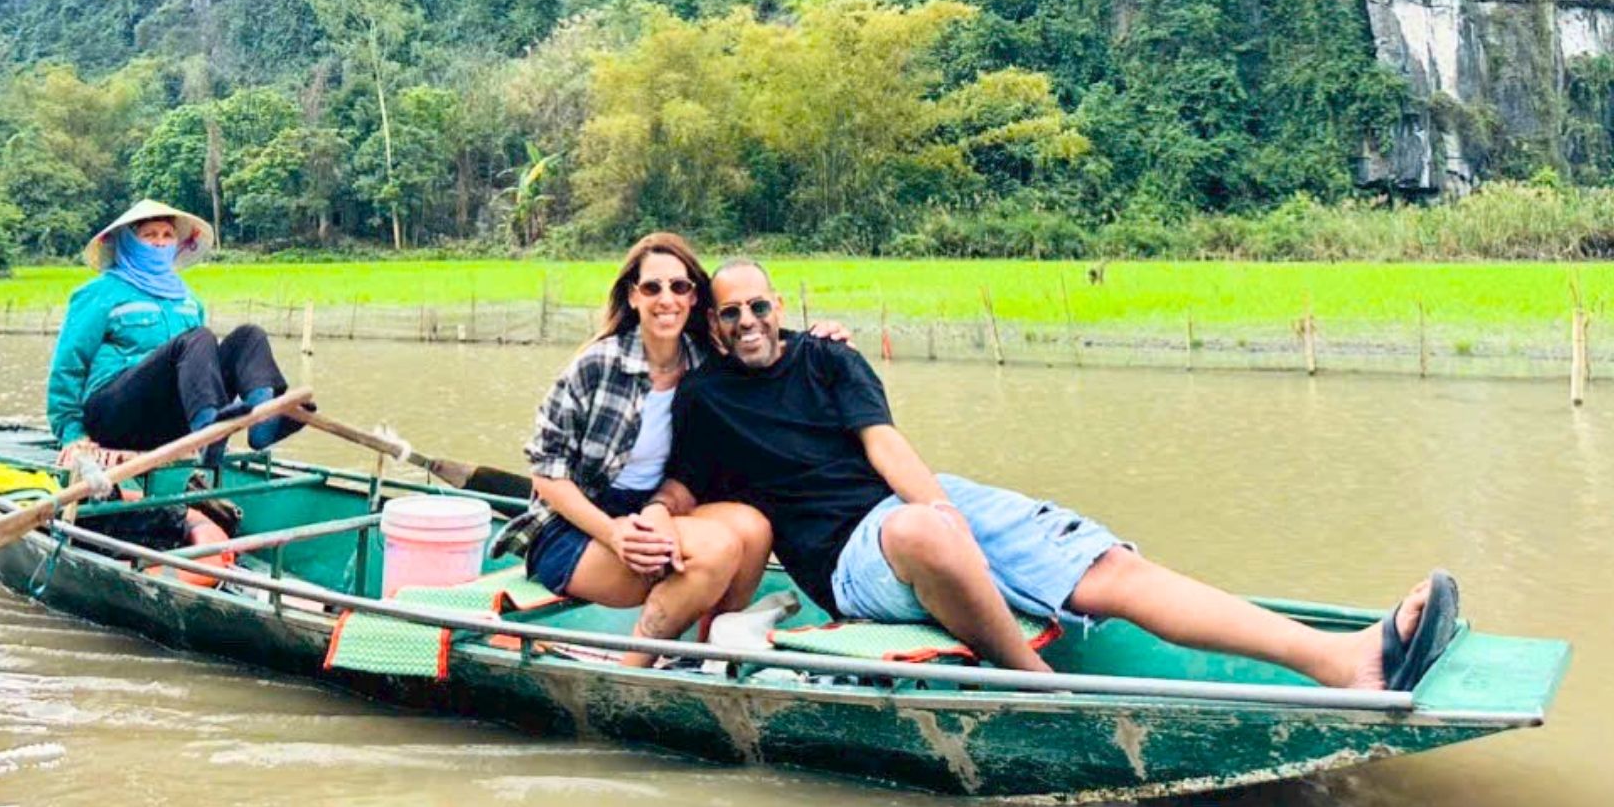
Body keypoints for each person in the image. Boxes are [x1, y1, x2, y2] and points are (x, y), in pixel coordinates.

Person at [643, 258, 1460, 692]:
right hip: (848, 562)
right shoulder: (709, 398)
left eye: (758, 307)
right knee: (926, 530)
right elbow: (686, 487)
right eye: (729, 312)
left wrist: (941, 510)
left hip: (916, 501)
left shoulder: (829, 358)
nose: (747, 321)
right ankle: (1034, 682)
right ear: (712, 325)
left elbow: (887, 446)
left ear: (778, 306)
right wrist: (648, 519)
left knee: (1107, 569)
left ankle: (1341, 659)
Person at [496, 233, 782, 666]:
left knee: (755, 528)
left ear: (692, 299)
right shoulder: (597, 365)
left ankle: (709, 659)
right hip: (574, 525)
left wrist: (823, 337)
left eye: (679, 287)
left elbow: (760, 337)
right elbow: (546, 473)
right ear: (633, 296)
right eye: (652, 288)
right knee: (716, 547)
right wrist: (614, 533)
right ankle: (631, 679)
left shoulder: (703, 360)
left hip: (653, 508)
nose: (666, 299)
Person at [47, 199, 310, 474]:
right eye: (149, 235)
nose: (160, 243)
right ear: (128, 242)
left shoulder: (187, 300)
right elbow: (68, 365)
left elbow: (202, 373)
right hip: (114, 414)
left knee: (249, 336)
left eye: (167, 235)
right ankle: (207, 431)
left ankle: (263, 422)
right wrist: (71, 433)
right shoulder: (99, 293)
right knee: (198, 338)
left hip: (167, 420)